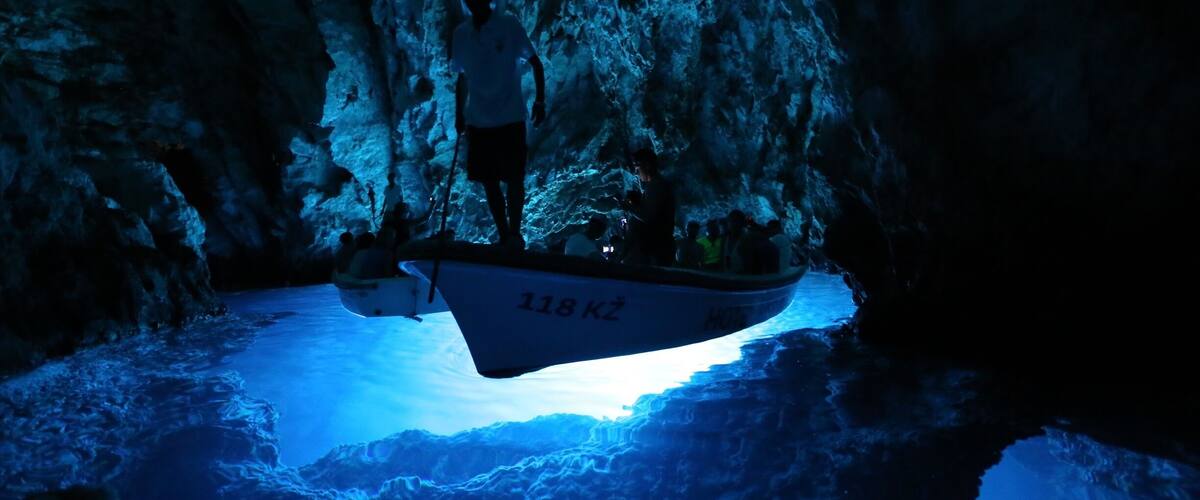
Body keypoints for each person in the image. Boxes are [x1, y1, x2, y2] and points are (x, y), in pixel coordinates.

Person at [452, 0, 546, 249]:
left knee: (514, 178)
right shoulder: (461, 34)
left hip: (510, 116)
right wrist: (459, 115)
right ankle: (505, 235)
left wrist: (540, 100)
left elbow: (535, 61)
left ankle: (514, 233)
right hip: (478, 120)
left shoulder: (508, 24)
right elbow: (461, 76)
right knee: (489, 181)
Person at [624, 148, 675, 266]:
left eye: (637, 167)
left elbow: (648, 216)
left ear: (647, 165)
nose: (636, 171)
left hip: (656, 248)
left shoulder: (656, 185)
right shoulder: (655, 185)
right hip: (658, 247)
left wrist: (628, 207)